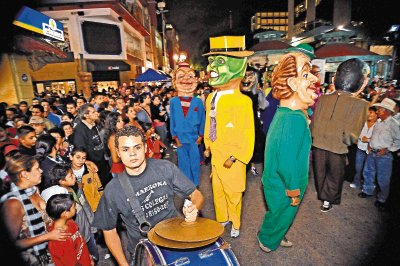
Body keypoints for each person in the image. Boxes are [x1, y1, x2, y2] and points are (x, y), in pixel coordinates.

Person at [92, 126, 204, 265]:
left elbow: (195, 194)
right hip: (144, 251)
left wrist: (194, 208)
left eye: (137, 147)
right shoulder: (113, 190)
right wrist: (123, 264)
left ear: (145, 148)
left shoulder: (165, 168)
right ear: (118, 153)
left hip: (175, 240)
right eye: (125, 149)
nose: (132, 154)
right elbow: (109, 231)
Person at [257, 52, 318, 253]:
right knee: (281, 215)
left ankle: (274, 233)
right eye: (306, 75)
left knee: (279, 215)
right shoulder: (292, 119)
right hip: (285, 184)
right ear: (292, 83)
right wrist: (293, 189)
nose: (315, 79)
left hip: (279, 181)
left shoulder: (288, 114)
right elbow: (286, 162)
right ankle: (267, 240)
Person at [203, 35, 255, 238]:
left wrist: (235, 157)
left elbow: (248, 134)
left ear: (239, 67)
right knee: (218, 191)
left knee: (233, 193)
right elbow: (209, 123)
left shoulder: (243, 102)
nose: (211, 69)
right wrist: (207, 145)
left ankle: (236, 223)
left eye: (220, 62)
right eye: (211, 62)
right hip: (216, 155)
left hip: (232, 159)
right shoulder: (210, 97)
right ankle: (223, 218)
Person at [311, 58, 371, 212]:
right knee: (334, 176)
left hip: (318, 144)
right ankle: (327, 200)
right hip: (338, 147)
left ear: (334, 78)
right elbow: (352, 134)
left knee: (320, 172)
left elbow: (315, 121)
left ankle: (323, 195)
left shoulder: (323, 98)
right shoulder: (361, 104)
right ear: (362, 82)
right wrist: (345, 141)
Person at [0, 154, 70, 265]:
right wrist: (47, 236)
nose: (41, 171)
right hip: (36, 260)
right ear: (24, 174)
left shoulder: (34, 190)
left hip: (52, 251)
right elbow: (10, 245)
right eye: (37, 168)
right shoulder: (14, 203)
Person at [41, 163, 99, 262]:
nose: (74, 176)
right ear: (61, 181)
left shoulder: (76, 188)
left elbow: (86, 206)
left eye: (73, 173)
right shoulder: (63, 201)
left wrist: (93, 224)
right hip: (79, 237)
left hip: (88, 229)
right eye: (71, 175)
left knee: (94, 254)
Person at [359, 98, 400, 210]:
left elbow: (398, 140)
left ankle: (382, 199)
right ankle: (367, 191)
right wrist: (370, 143)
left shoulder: (394, 124)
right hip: (372, 152)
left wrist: (388, 150)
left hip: (384, 156)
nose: (377, 111)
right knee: (368, 173)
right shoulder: (378, 122)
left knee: (383, 178)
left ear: (387, 111)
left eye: (380, 110)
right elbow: (375, 135)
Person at [169, 62, 205, 186]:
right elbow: (172, 120)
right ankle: (187, 187)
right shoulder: (173, 101)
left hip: (194, 138)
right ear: (175, 81)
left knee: (195, 163)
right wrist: (175, 138)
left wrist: (200, 137)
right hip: (180, 138)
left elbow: (203, 119)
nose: (185, 79)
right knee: (183, 164)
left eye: (190, 76)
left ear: (195, 80)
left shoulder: (198, 101)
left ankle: (195, 186)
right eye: (181, 76)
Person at [46, 194, 93, 266]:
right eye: (74, 207)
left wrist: (89, 257)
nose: (76, 208)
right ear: (65, 214)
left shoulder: (70, 222)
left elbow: (81, 241)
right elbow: (71, 263)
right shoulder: (59, 239)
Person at [73, 103, 111, 187]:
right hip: (92, 166)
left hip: (102, 162)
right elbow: (79, 150)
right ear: (86, 115)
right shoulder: (80, 130)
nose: (97, 113)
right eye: (93, 112)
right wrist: (88, 162)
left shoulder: (94, 124)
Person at [240, 65, 268, 176]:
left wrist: (261, 93)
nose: (247, 78)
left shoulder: (257, 92)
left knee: (254, 144)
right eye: (245, 75)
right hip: (241, 122)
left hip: (253, 121)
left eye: (250, 75)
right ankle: (246, 166)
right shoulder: (239, 91)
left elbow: (264, 106)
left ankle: (251, 166)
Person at [349, 106, 378, 189]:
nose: (369, 114)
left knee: (369, 170)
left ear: (377, 114)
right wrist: (356, 138)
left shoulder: (378, 125)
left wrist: (368, 140)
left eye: (371, 112)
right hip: (360, 148)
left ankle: (367, 187)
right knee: (358, 167)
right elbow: (355, 132)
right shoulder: (362, 122)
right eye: (368, 112)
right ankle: (357, 182)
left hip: (372, 150)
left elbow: (380, 138)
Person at [70, 147, 104, 212]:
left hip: (94, 204)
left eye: (83, 158)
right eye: (78, 157)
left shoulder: (91, 169)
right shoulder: (68, 172)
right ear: (71, 157)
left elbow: (99, 186)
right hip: (79, 208)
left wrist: (102, 201)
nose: (80, 160)